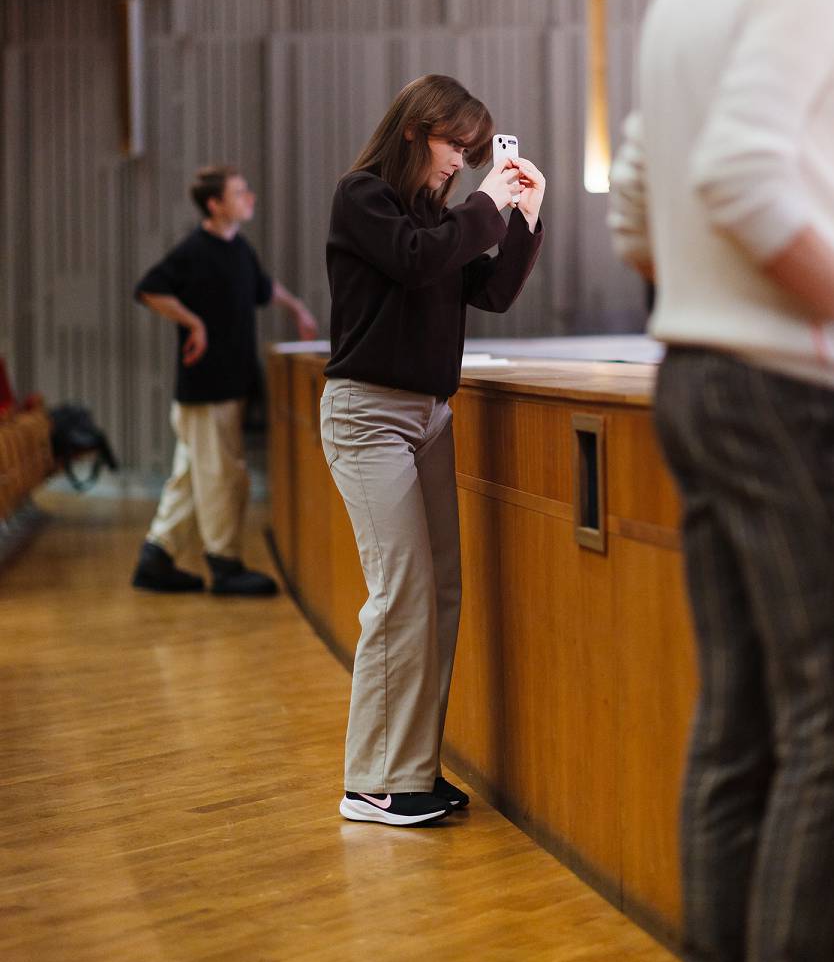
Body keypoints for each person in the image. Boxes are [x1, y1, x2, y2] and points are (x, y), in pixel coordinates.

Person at [608, 0, 834, 962]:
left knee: (740, 726)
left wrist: (708, 289)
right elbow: (739, 172)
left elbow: (639, 197)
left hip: (698, 374)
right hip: (787, 391)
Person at [321, 74, 544, 827]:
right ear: (417, 129)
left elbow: (493, 292)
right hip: (369, 415)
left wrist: (525, 218)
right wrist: (489, 203)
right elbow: (418, 259)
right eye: (456, 146)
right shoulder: (364, 198)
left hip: (429, 417)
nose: (461, 162)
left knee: (440, 591)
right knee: (402, 590)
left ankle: (410, 770)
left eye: (472, 152)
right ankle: (371, 782)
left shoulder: (435, 218)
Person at [131, 165, 318, 597]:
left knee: (190, 476)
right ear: (215, 204)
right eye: (239, 192)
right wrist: (193, 322)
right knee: (222, 477)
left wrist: (296, 308)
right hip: (208, 388)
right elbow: (149, 289)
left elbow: (265, 287)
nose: (249, 197)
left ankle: (156, 556)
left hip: (228, 385)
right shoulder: (194, 251)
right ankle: (225, 563)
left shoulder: (239, 248)